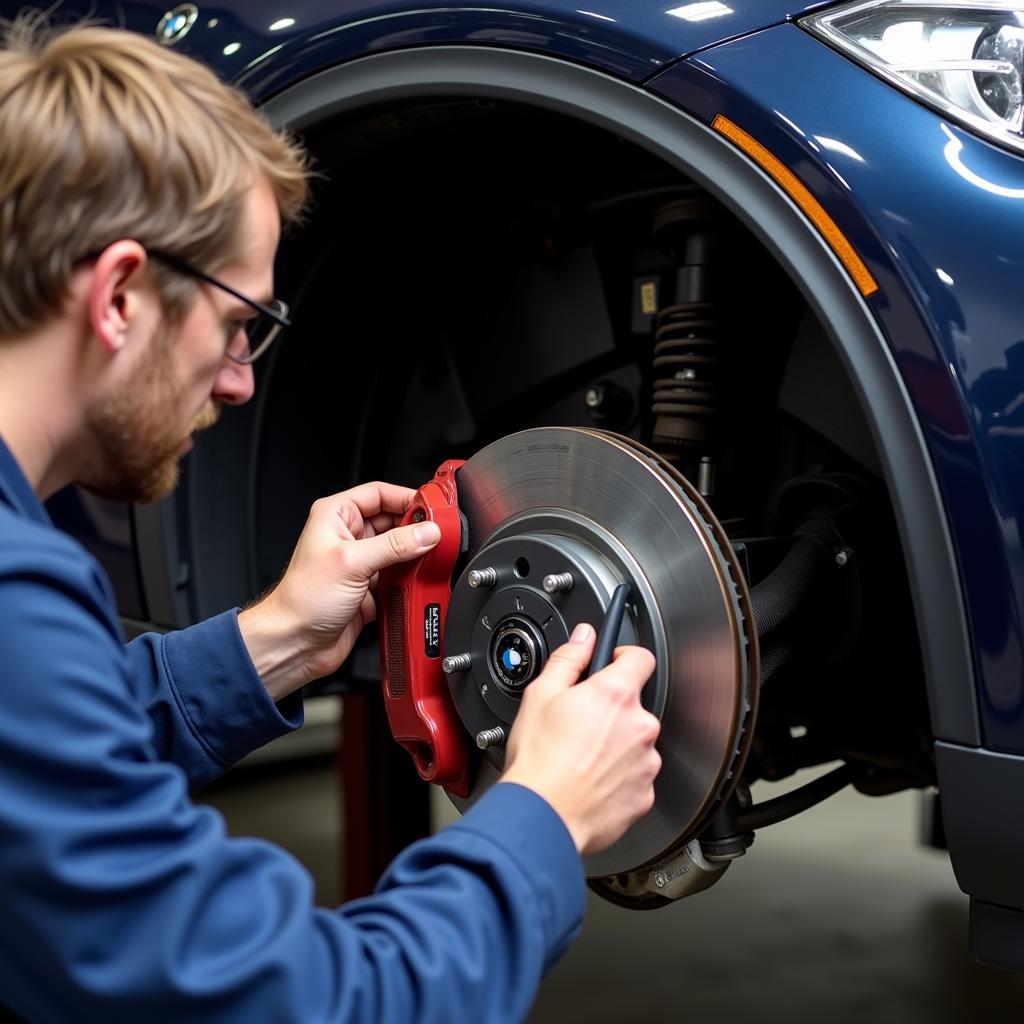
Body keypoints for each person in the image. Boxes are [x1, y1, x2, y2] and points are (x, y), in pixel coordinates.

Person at [0, 13, 662, 1023]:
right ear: (121, 294)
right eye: (236, 325)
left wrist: (275, 642)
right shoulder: (17, 598)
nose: (236, 385)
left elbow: (42, 771)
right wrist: (544, 810)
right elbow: (303, 1003)